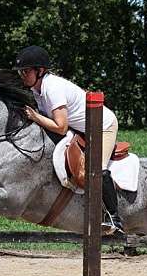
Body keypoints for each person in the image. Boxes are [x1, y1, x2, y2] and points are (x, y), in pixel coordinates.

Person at [13, 45, 123, 234]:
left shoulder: (52, 88)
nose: (22, 75)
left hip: (103, 126)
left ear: (40, 71)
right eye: (21, 71)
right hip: (80, 128)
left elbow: (60, 126)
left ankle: (114, 218)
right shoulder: (37, 90)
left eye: (26, 71)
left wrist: (35, 117)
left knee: (96, 169)